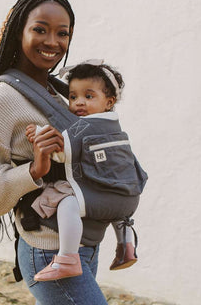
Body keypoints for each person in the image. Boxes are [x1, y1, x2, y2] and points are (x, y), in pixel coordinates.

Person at [0, 0, 111, 305]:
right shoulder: (2, 100)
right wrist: (34, 169)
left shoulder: (62, 93)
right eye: (40, 29)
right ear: (19, 32)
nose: (52, 41)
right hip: (47, 248)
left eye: (62, 33)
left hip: (83, 245)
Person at [25, 62, 140, 282]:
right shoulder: (116, 127)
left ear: (109, 102)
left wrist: (38, 133)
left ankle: (67, 258)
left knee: (68, 204)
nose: (79, 103)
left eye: (89, 96)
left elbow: (62, 152)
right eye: (73, 96)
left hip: (102, 201)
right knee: (115, 210)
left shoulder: (82, 125)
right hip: (127, 203)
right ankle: (126, 247)